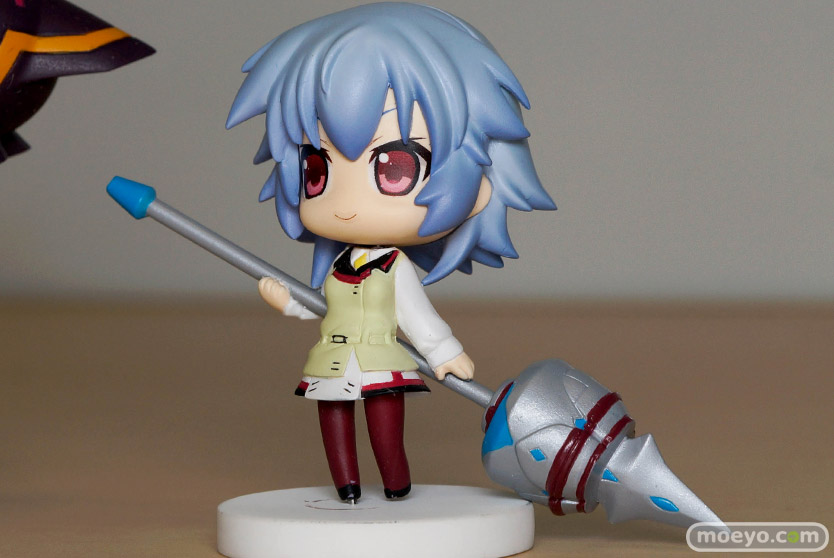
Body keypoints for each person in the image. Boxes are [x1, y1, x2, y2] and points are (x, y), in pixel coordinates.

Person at [225, 2, 555, 504]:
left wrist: (445, 353)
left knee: (384, 427)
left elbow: (417, 317)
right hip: (331, 361)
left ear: (480, 181)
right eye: (318, 168)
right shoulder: (341, 266)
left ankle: (396, 487)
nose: (347, 205)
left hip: (381, 362)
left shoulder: (393, 267)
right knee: (334, 424)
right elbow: (324, 305)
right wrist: (288, 303)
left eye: (393, 168)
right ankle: (348, 488)